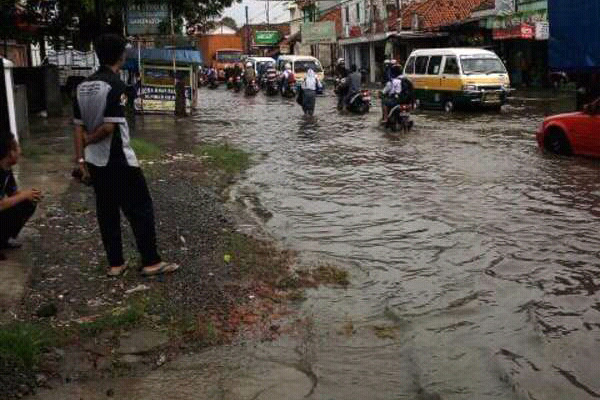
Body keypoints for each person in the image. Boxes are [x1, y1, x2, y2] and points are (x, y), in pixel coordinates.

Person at [73, 33, 178, 277]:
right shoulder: (115, 86)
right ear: (121, 55)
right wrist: (89, 139)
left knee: (107, 212)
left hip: (94, 162)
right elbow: (109, 127)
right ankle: (151, 261)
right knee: (141, 209)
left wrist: (80, 160)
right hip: (119, 160)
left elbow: (77, 127)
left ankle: (115, 264)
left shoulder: (82, 86)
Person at [0, 133, 41, 261]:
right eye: (17, 147)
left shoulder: (7, 169)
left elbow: (13, 194)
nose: (20, 151)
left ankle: (3, 240)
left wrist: (29, 194)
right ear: (11, 153)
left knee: (28, 203)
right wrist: (23, 195)